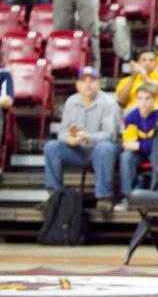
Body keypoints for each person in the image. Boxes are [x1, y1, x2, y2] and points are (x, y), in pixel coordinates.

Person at [43, 67, 121, 213]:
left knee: (105, 148)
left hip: (98, 150)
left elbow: (110, 134)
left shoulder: (109, 102)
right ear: (77, 85)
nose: (88, 84)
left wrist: (87, 136)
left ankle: (104, 198)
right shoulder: (71, 102)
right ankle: (55, 195)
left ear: (98, 84)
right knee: (51, 147)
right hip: (77, 150)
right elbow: (62, 132)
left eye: (92, 81)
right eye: (83, 81)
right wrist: (70, 138)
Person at [118, 85, 158, 207]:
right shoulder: (131, 117)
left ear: (154, 99)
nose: (143, 103)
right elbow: (128, 143)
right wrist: (142, 145)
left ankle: (156, 196)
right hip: (139, 153)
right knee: (126, 156)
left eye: (147, 98)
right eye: (140, 98)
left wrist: (139, 145)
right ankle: (128, 197)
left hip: (157, 151)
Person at [115, 47, 158, 113]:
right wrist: (133, 77)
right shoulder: (126, 81)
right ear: (138, 63)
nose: (147, 63)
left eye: (151, 60)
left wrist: (147, 79)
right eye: (144, 60)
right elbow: (120, 100)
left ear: (156, 63)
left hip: (157, 112)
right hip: (133, 112)